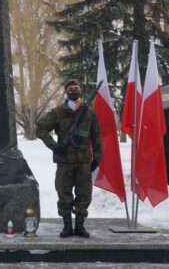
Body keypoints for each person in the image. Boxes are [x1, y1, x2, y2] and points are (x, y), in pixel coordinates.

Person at [36, 79, 102, 238]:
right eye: (70, 88)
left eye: (76, 88)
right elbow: (41, 129)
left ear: (81, 90)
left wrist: (97, 159)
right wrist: (55, 146)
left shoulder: (89, 112)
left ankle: (80, 226)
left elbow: (97, 137)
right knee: (64, 193)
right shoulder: (58, 112)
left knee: (84, 194)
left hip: (84, 162)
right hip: (64, 163)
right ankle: (67, 227)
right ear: (66, 92)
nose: (73, 90)